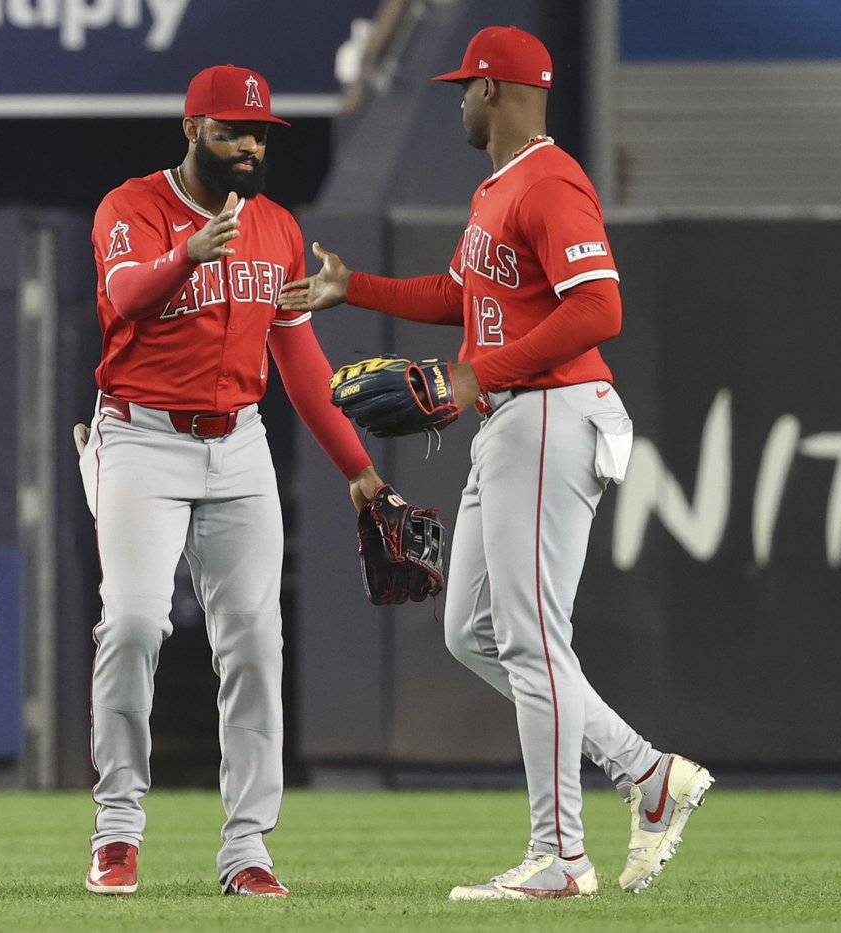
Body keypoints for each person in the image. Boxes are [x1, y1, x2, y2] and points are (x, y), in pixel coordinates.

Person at [280, 26, 713, 900]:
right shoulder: (498, 189)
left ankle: (561, 857)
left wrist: (476, 371)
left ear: (494, 90)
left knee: (532, 636)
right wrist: (354, 286)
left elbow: (599, 307)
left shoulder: (550, 180)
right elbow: (459, 296)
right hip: (514, 418)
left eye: (464, 87)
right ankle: (646, 773)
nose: (458, 101)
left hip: (553, 411)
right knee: (472, 631)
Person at [77, 63, 385, 898]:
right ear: (192, 131)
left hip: (238, 444)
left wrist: (359, 471)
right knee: (136, 622)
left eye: (258, 133)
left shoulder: (277, 228)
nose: (248, 145)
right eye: (230, 131)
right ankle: (117, 828)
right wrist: (186, 251)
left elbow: (300, 362)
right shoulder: (131, 208)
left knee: (253, 639)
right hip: (140, 435)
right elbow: (129, 299)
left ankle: (248, 846)